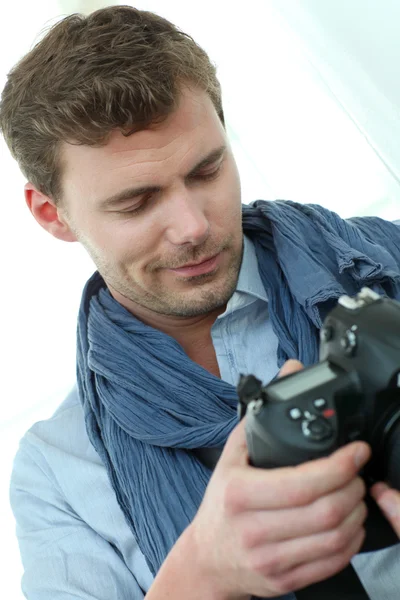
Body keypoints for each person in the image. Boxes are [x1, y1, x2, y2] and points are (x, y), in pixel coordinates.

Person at [1, 5, 400, 600]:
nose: (191, 226)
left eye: (207, 170)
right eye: (136, 203)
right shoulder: (56, 473)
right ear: (51, 214)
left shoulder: (384, 266)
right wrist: (204, 574)